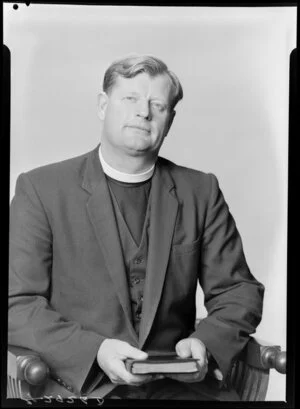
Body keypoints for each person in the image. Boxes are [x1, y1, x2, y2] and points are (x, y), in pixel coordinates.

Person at [9, 54, 264, 401]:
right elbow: (15, 303)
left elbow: (239, 291)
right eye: (130, 99)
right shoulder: (41, 189)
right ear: (103, 105)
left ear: (170, 119)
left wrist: (206, 342)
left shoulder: (200, 190)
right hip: (81, 386)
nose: (144, 112)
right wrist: (95, 351)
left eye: (157, 105)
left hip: (180, 386)